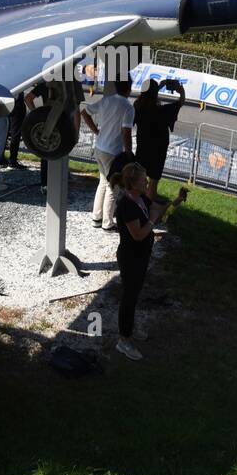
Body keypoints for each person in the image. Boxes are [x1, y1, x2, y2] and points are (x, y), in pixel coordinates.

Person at [110, 161, 188, 361]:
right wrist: (152, 220)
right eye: (143, 180)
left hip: (141, 255)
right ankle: (123, 340)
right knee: (129, 297)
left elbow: (160, 210)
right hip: (131, 257)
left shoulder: (141, 198)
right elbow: (137, 234)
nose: (147, 182)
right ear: (133, 183)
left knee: (134, 294)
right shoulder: (126, 205)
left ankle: (130, 328)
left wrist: (177, 201)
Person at [82, 80, 134, 230]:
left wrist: (96, 132)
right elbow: (126, 133)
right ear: (129, 88)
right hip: (113, 151)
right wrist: (129, 153)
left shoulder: (106, 100)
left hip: (99, 147)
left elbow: (84, 113)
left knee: (103, 182)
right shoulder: (128, 107)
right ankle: (107, 222)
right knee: (113, 187)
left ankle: (96, 217)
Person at [133, 78, 186, 201]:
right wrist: (181, 91)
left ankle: (135, 203)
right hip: (158, 150)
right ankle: (147, 207)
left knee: (138, 178)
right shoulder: (163, 110)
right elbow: (180, 102)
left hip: (143, 147)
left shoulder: (138, 107)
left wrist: (157, 88)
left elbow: (145, 97)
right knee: (153, 181)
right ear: (155, 93)